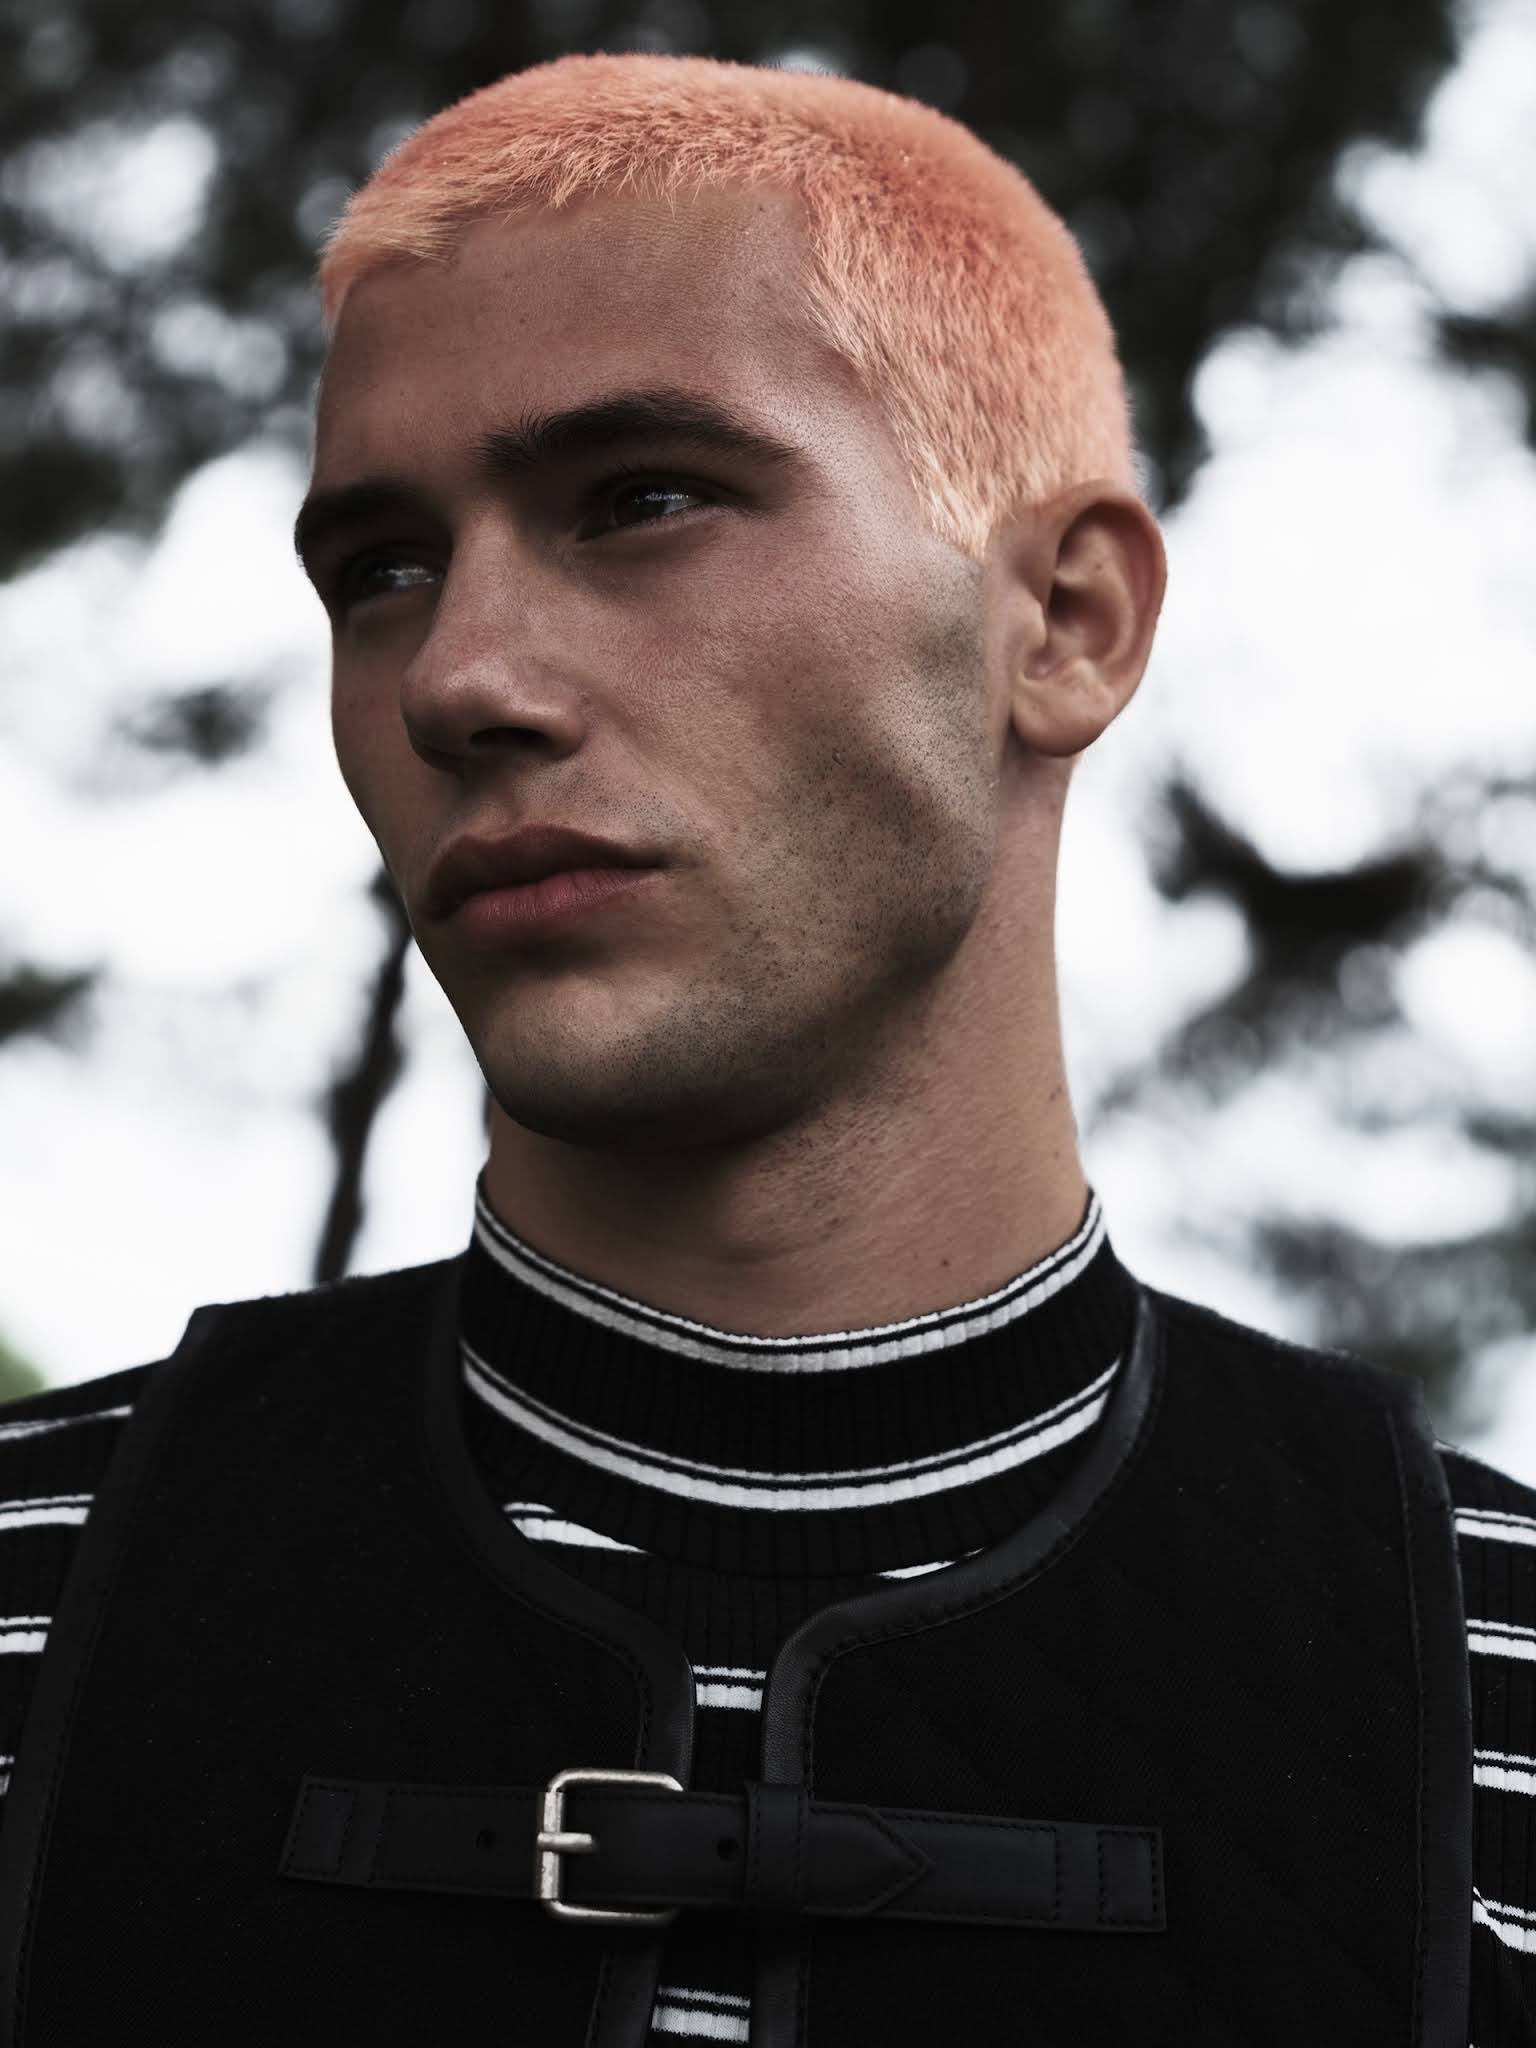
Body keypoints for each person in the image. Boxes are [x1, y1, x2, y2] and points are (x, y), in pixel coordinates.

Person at [0, 49, 1527, 2047]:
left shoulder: (1496, 1681)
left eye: (642, 499)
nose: (457, 676)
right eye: (382, 568)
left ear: (1065, 621)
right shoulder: (25, 1604)